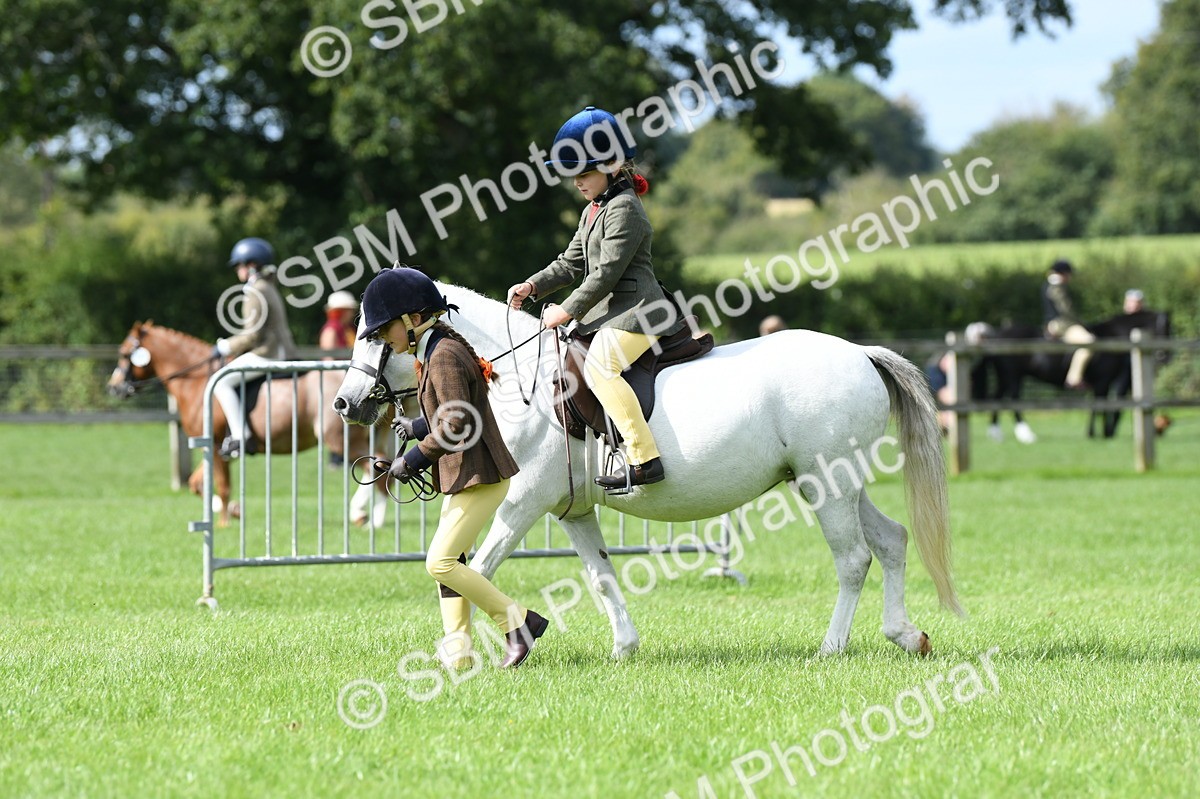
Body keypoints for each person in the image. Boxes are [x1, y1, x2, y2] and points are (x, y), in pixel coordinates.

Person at [361, 267, 547, 669]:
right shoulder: (436, 348)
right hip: (466, 473)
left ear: (412, 319)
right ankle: (458, 651)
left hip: (478, 476)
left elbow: (456, 423)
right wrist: (416, 426)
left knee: (440, 563)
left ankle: (519, 623)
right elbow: (455, 409)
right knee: (452, 563)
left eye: (385, 330)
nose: (383, 340)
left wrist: (412, 458)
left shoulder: (442, 354)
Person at [507, 106, 686, 491]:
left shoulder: (626, 210)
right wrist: (533, 286)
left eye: (584, 173)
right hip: (611, 313)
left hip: (642, 312)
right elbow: (570, 262)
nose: (577, 182)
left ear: (612, 164)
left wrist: (567, 309)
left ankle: (644, 459)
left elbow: (605, 274)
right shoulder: (594, 210)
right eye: (574, 174)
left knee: (601, 367)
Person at [212, 237, 298, 459]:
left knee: (221, 381)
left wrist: (224, 346)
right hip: (281, 350)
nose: (237, 270)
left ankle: (240, 437)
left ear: (251, 265)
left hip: (268, 353)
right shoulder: (268, 286)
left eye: (239, 265)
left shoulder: (255, 290)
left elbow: (253, 334)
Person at [1042, 259, 1094, 389]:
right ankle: (1074, 378)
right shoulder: (1057, 287)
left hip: (1055, 323)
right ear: (1064, 274)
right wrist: (1080, 323)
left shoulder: (1049, 285)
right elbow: (1066, 310)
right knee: (1089, 342)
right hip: (1063, 325)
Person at [319, 291, 359, 355]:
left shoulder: (348, 328)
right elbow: (328, 357)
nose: (353, 313)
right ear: (340, 311)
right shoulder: (331, 329)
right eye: (349, 310)